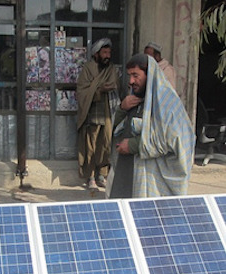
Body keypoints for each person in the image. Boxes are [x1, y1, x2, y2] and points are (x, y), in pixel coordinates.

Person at [107, 54, 195, 198]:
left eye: (136, 75)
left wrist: (134, 145)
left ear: (150, 74)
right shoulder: (134, 99)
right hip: (126, 173)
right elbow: (116, 128)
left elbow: (173, 138)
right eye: (129, 75)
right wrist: (122, 109)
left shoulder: (168, 103)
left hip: (150, 180)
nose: (131, 81)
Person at [76, 38, 120, 190]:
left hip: (107, 111)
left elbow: (115, 84)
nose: (107, 55)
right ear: (96, 54)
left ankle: (101, 174)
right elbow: (82, 90)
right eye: (104, 52)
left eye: (109, 52)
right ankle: (90, 176)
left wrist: (109, 87)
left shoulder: (111, 68)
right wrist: (99, 90)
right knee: (91, 146)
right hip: (93, 111)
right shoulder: (88, 68)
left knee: (105, 143)